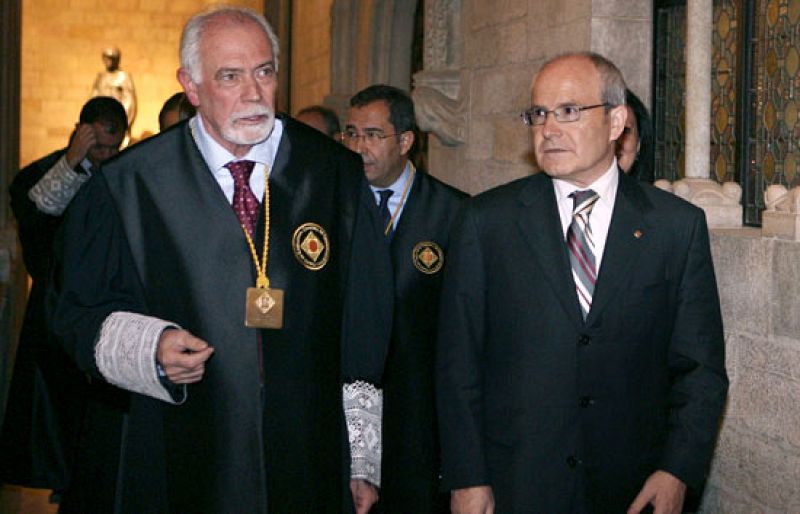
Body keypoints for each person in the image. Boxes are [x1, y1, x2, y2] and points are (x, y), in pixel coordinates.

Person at [49, 6, 391, 513]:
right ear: (190, 86)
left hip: (306, 449)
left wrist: (361, 458)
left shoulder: (333, 174)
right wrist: (150, 347)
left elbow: (366, 320)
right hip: (179, 446)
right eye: (230, 77)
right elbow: (76, 312)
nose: (253, 94)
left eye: (264, 72)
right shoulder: (130, 185)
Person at [436, 52, 728, 514]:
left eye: (569, 111)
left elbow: (700, 369)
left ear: (616, 121)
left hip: (632, 488)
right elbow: (458, 363)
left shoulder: (675, 227)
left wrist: (677, 471)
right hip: (517, 484)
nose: (548, 129)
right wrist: (466, 477)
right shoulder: (486, 222)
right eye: (538, 113)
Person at [342, 84, 465, 514]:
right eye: (351, 134)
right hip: (346, 413)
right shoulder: (331, 207)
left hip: (419, 419)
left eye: (373, 135)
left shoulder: (453, 213)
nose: (359, 147)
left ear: (406, 140)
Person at [2, 96, 127, 496]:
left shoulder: (128, 173)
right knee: (58, 409)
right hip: (58, 307)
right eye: (99, 146)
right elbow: (36, 216)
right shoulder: (45, 172)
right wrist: (72, 162)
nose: (106, 156)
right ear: (81, 134)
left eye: (114, 147)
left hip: (111, 309)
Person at [91, 47, 137, 130]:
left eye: (111, 59)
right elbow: (94, 97)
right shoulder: (101, 77)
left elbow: (129, 101)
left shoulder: (123, 77)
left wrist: (124, 119)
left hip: (117, 117)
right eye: (106, 58)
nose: (108, 62)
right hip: (102, 117)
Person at [616, 88, 654, 183]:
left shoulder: (655, 192)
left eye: (625, 131)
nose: (615, 139)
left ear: (639, 143)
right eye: (608, 130)